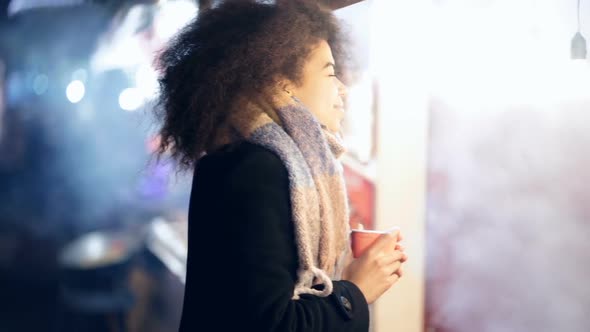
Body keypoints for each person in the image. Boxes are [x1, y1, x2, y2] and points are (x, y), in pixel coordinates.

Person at [154, 1, 408, 331]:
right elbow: (272, 324)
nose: (342, 89)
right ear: (282, 80)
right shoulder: (257, 169)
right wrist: (356, 291)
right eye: (330, 72)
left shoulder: (244, 157)